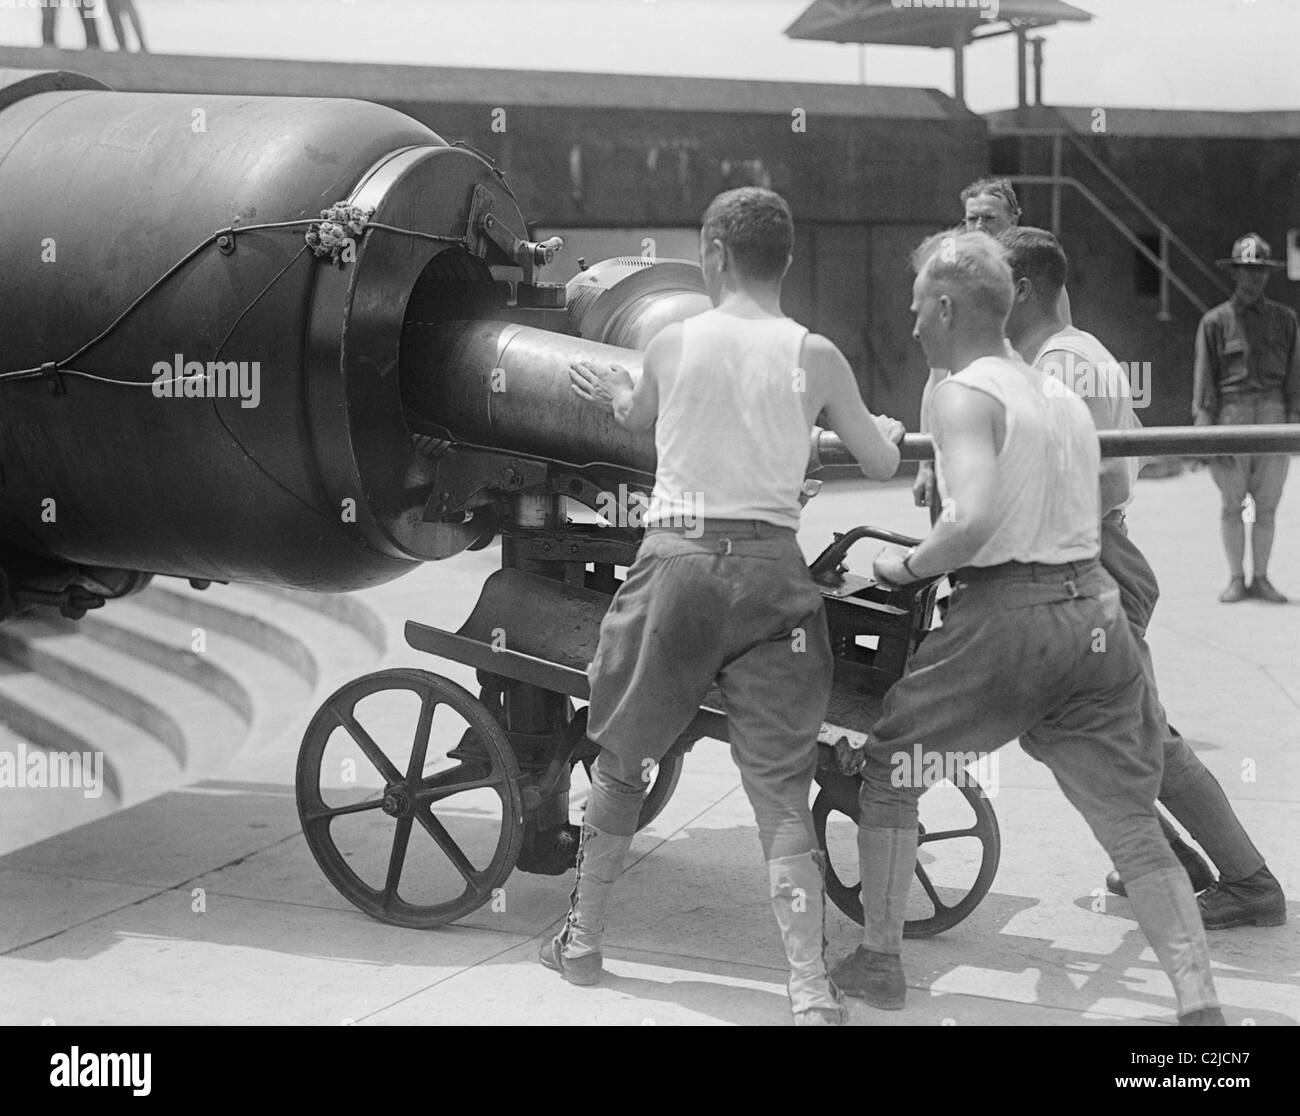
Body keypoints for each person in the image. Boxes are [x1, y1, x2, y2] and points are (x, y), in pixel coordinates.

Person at [831, 231, 1224, 1026]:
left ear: (946, 307)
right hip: (1094, 615)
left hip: (1008, 615)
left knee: (893, 767)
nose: (910, 328)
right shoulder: (1060, 396)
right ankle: (1199, 1009)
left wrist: (902, 570)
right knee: (1132, 827)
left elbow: (971, 521)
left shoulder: (961, 393)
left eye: (916, 310)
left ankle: (877, 961)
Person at [547, 187, 906, 1026]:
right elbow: (882, 457)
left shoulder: (672, 343)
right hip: (773, 580)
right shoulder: (816, 355)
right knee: (780, 795)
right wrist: (867, 424)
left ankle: (583, 943)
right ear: (784, 260)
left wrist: (615, 398)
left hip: (676, 566)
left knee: (623, 761)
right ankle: (810, 993)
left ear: (712, 255)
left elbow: (635, 412)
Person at [1002, 226, 1286, 931]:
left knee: (1138, 734)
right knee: (1054, 727)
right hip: (1089, 558)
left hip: (1088, 561)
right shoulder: (1066, 353)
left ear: (1023, 289)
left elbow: (1094, 484)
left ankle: (1249, 882)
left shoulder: (1063, 364)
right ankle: (1167, 857)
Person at [1193, 232, 1300, 604]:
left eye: (1259, 271)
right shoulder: (1215, 323)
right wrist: (1205, 435)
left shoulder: (1285, 321)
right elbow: (1205, 383)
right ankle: (1237, 578)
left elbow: (1294, 380)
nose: (1252, 278)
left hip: (1273, 416)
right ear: (1234, 273)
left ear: (1268, 275)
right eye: (1245, 270)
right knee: (1231, 504)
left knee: (1267, 506)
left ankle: (1262, 577)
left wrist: (1293, 426)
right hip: (1231, 417)